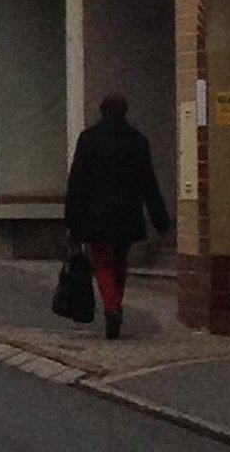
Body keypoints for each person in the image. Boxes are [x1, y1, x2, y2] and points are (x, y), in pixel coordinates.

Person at [64, 94, 171, 339]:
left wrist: (71, 221)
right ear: (125, 112)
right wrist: (160, 220)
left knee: (102, 262)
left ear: (102, 111)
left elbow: (77, 184)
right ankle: (115, 301)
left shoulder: (89, 140)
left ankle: (112, 307)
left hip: (95, 215)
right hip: (127, 215)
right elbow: (148, 183)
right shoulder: (137, 141)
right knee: (120, 262)